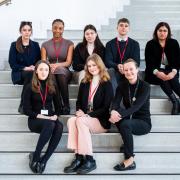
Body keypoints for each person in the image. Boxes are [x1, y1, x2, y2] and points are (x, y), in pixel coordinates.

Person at [64, 54, 113, 174]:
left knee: (80, 120)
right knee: (71, 120)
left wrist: (87, 115)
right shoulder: (85, 82)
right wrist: (79, 111)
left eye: (94, 65)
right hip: (85, 119)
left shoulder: (107, 83)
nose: (92, 68)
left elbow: (106, 108)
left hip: (100, 120)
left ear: (99, 65)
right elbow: (79, 102)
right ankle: (78, 158)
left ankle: (90, 159)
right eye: (89, 66)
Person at [110, 59, 151, 171]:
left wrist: (118, 115)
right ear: (123, 71)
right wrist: (113, 111)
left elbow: (136, 107)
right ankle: (127, 141)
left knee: (125, 124)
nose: (129, 72)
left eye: (131, 69)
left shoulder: (145, 86)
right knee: (119, 118)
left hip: (143, 122)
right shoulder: (122, 85)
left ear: (137, 70)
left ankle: (130, 159)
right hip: (129, 118)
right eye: (126, 70)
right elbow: (115, 102)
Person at [23, 60, 63, 174]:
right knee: (50, 124)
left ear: (49, 71)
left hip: (50, 119)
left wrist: (56, 115)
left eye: (46, 69)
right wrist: (40, 116)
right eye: (41, 69)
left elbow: (59, 107)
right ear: (36, 71)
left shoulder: (52, 86)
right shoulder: (29, 87)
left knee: (59, 126)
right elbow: (26, 109)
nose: (43, 72)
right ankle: (36, 156)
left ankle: (44, 160)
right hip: (35, 120)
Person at [145, 22, 180, 115]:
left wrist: (173, 72)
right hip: (153, 73)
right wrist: (157, 73)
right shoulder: (150, 44)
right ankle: (175, 101)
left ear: (168, 32)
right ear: (156, 32)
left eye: (165, 31)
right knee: (162, 78)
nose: (162, 33)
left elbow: (177, 61)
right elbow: (149, 63)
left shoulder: (174, 43)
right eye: (160, 30)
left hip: (170, 71)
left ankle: (176, 102)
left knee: (172, 78)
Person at [41, 19, 74, 115]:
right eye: (55, 28)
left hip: (65, 72)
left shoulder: (69, 43)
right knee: (51, 76)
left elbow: (68, 62)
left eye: (60, 28)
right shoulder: (45, 45)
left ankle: (66, 105)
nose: (57, 30)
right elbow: (43, 62)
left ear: (63, 30)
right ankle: (58, 106)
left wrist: (56, 65)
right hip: (50, 70)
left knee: (59, 72)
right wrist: (50, 67)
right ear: (52, 28)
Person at [8, 21, 41, 114]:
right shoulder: (14, 45)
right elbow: (12, 64)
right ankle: (23, 104)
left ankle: (24, 105)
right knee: (30, 75)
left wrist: (34, 66)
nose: (27, 32)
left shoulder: (35, 45)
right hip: (19, 73)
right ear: (20, 31)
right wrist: (25, 68)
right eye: (24, 30)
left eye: (29, 30)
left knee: (31, 76)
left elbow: (39, 61)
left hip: (32, 73)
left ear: (31, 32)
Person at [105, 18, 140, 93]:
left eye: (126, 26)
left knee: (135, 72)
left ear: (129, 29)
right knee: (110, 71)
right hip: (115, 70)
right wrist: (117, 66)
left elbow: (136, 62)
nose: (123, 27)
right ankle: (115, 99)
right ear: (117, 28)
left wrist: (125, 68)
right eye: (121, 25)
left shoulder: (135, 44)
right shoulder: (109, 44)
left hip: (129, 70)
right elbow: (107, 61)